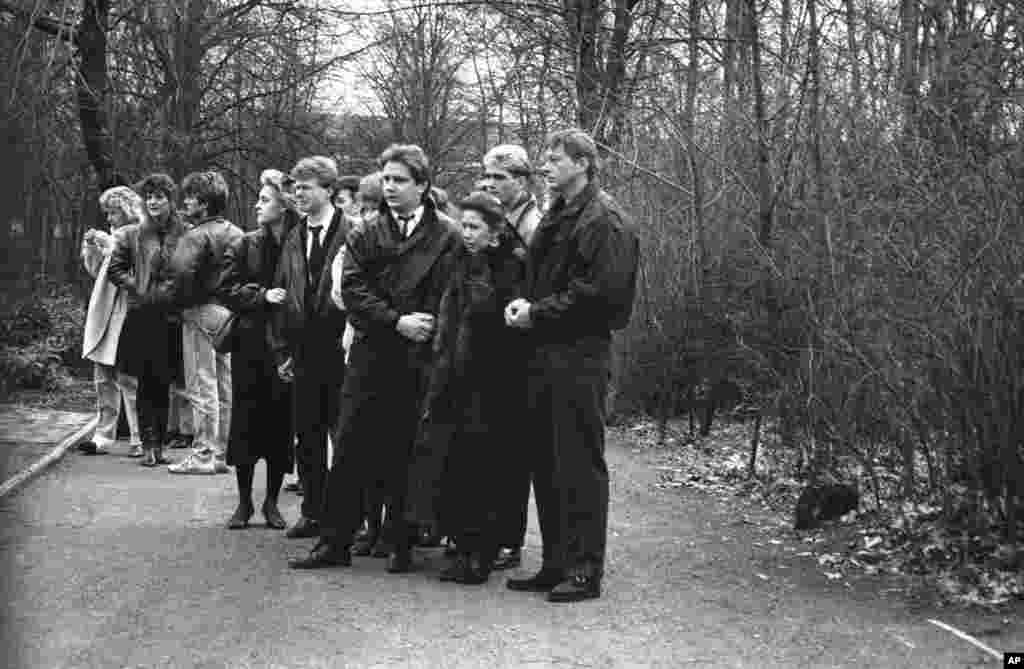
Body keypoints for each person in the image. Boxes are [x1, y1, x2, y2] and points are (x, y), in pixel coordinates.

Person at [290, 144, 461, 572]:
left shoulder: (448, 235)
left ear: (422, 185)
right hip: (373, 350)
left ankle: (401, 541)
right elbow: (352, 290)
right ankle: (334, 542)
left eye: (400, 180)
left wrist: (429, 325)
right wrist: (397, 320)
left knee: (409, 447)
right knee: (349, 446)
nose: (389, 187)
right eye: (385, 179)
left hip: (423, 354)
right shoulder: (365, 231)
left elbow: (455, 291)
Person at [504, 129, 640, 603]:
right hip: (544, 352)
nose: (546, 165)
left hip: (580, 355)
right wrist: (524, 305)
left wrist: (536, 312)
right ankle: (556, 561)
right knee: (546, 459)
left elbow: (601, 296)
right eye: (546, 157)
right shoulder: (560, 213)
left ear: (583, 164)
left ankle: (585, 570)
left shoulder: (604, 221)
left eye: (556, 158)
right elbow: (543, 275)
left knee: (579, 463)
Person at [406, 191, 525, 585]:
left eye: (475, 227)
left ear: (494, 233)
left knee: (485, 468)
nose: (466, 233)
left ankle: (481, 554)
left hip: (492, 381)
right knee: (454, 462)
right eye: (464, 225)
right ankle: (462, 543)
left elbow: (505, 327)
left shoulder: (511, 267)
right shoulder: (459, 261)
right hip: (453, 375)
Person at [269, 156, 350, 540]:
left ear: (329, 189)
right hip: (304, 350)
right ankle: (313, 510)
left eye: (308, 186)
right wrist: (283, 349)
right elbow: (284, 293)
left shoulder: (351, 231)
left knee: (345, 434)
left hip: (342, 348)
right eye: (296, 187)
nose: (299, 193)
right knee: (308, 435)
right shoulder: (293, 237)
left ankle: (348, 515)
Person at [218, 169, 297, 529]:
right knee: (246, 422)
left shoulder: (299, 242)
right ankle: (244, 502)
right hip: (250, 343)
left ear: (284, 204)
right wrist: (262, 295)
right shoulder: (245, 243)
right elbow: (224, 288)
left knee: (281, 424)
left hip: (288, 345)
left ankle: (271, 503)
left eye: (265, 200)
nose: (257, 205)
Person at [479, 143, 543, 570]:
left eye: (498, 177)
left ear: (520, 181)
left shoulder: (534, 225)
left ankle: (509, 539)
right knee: (492, 446)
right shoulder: (495, 220)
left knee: (514, 449)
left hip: (523, 346)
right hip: (494, 341)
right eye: (486, 176)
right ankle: (493, 531)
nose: (490, 184)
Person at [165, 171, 243, 475]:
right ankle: (221, 453)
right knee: (225, 386)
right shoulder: (237, 232)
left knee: (200, 385)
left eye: (191, 198)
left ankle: (202, 455)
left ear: (204, 203)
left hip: (200, 312)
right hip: (229, 314)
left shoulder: (195, 235)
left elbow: (180, 276)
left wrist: (178, 306)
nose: (185, 203)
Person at [107, 173, 188, 467]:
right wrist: (137, 285)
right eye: (149, 196)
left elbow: (192, 269)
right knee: (144, 381)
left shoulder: (185, 232)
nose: (153, 201)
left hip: (171, 316)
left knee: (163, 380)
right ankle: (148, 444)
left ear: (170, 199)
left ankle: (160, 445)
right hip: (142, 313)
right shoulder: (131, 233)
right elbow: (115, 269)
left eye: (159, 196)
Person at [78, 186, 144, 457]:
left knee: (128, 377)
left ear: (127, 210)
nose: (109, 218)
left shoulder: (141, 235)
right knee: (102, 376)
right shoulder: (113, 237)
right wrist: (92, 248)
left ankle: (140, 437)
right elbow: (97, 272)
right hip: (104, 311)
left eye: (114, 212)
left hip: (127, 312)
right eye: (107, 213)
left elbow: (138, 274)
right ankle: (103, 434)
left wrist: (110, 248)